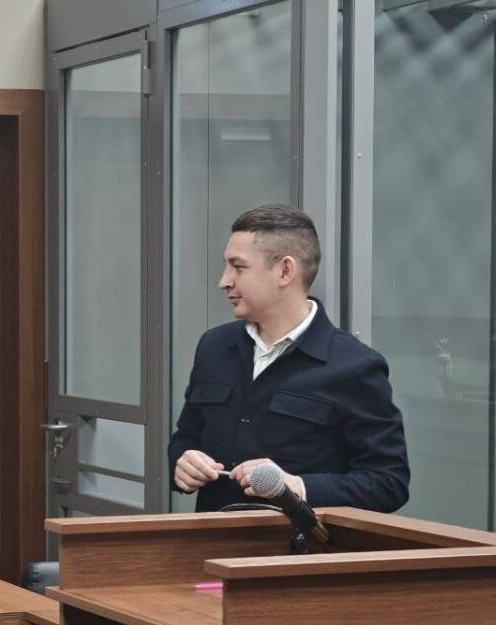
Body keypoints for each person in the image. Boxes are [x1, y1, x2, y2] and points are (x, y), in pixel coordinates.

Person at [169, 204, 409, 513]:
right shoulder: (213, 346)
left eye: (238, 267)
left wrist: (298, 487)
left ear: (285, 271)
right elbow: (186, 436)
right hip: (210, 539)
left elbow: (388, 483)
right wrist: (182, 461)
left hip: (294, 543)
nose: (224, 281)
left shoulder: (354, 366)